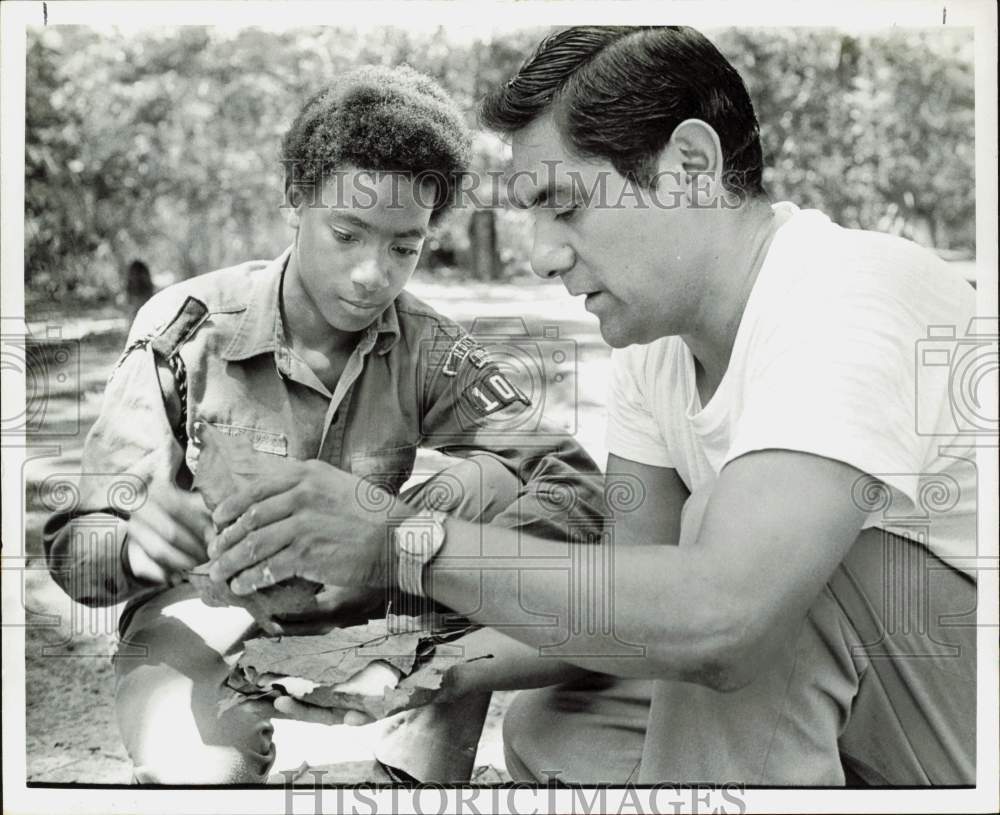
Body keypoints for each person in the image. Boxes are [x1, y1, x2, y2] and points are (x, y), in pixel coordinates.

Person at [209, 27, 980, 786]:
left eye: (566, 207)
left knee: (751, 566)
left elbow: (726, 613)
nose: (542, 252)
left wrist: (402, 541)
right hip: (862, 694)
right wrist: (419, 664)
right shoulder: (656, 344)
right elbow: (620, 594)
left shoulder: (850, 294)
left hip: (968, 718)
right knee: (560, 727)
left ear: (689, 166)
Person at [42, 64, 606, 784]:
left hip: (377, 610)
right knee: (199, 770)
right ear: (294, 201)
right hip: (209, 606)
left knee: (492, 483)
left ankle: (410, 766)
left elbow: (576, 487)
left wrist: (422, 557)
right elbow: (73, 552)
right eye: (347, 233)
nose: (373, 273)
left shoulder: (430, 345)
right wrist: (129, 547)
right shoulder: (184, 333)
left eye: (404, 246)